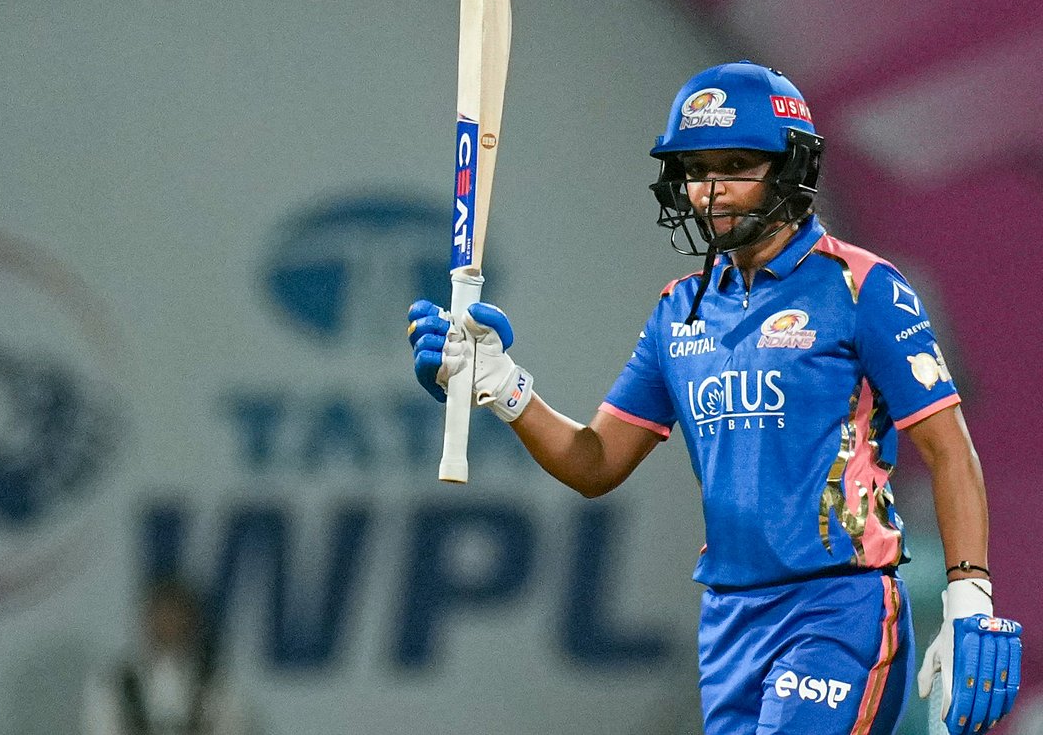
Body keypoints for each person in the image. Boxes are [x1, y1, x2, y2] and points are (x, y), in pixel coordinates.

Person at [407, 61, 1022, 735]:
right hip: (729, 622)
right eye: (696, 169)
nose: (711, 189)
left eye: (735, 164)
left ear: (791, 168)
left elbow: (949, 448)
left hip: (836, 608)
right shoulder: (679, 311)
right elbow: (594, 461)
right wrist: (505, 388)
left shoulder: (861, 287)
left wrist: (969, 595)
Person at [82, 576, 257, 735]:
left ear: (193, 622)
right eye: (163, 615)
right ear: (146, 621)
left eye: (178, 615)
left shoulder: (218, 686)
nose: (170, 624)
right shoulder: (113, 683)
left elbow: (233, 727)